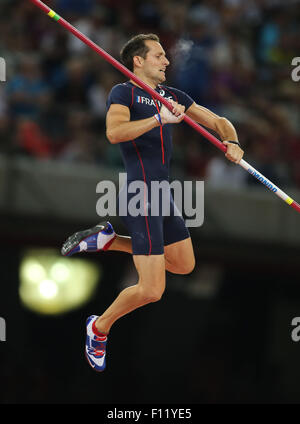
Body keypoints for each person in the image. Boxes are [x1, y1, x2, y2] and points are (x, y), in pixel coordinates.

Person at [61, 34, 244, 372]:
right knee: (150, 290)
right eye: (159, 56)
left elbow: (218, 121)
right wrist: (159, 119)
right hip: (140, 195)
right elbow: (115, 133)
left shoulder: (174, 97)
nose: (167, 61)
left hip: (164, 195)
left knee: (184, 264)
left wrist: (231, 142)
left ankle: (109, 240)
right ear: (138, 61)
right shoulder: (124, 92)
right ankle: (98, 328)